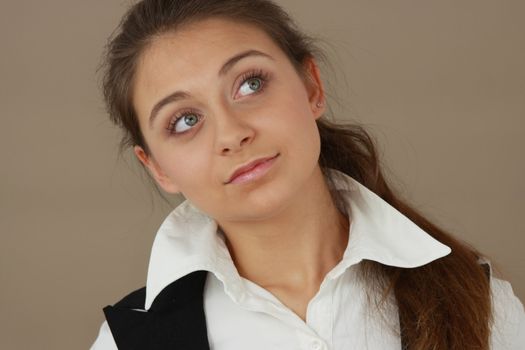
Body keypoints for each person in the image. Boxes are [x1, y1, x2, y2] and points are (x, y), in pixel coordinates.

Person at [91, 0, 524, 349]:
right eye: (185, 120)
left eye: (250, 84)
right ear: (159, 168)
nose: (233, 134)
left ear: (311, 85)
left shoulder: (477, 299)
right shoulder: (130, 344)